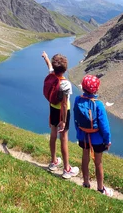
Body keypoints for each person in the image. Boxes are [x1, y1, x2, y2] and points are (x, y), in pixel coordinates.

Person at [74, 74, 113, 196]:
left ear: (83, 87)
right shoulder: (98, 104)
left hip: (83, 136)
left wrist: (79, 133)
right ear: (96, 89)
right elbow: (104, 126)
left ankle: (85, 183)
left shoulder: (77, 99)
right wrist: (107, 141)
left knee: (85, 158)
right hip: (97, 139)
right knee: (98, 162)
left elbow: (76, 119)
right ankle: (100, 188)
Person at [41, 51, 78, 179]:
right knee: (64, 138)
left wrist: (46, 57)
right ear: (65, 68)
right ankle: (67, 169)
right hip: (63, 113)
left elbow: (49, 66)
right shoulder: (65, 84)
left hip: (53, 109)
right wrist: (63, 120)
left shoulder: (52, 75)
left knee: (53, 134)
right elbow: (64, 104)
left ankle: (53, 162)